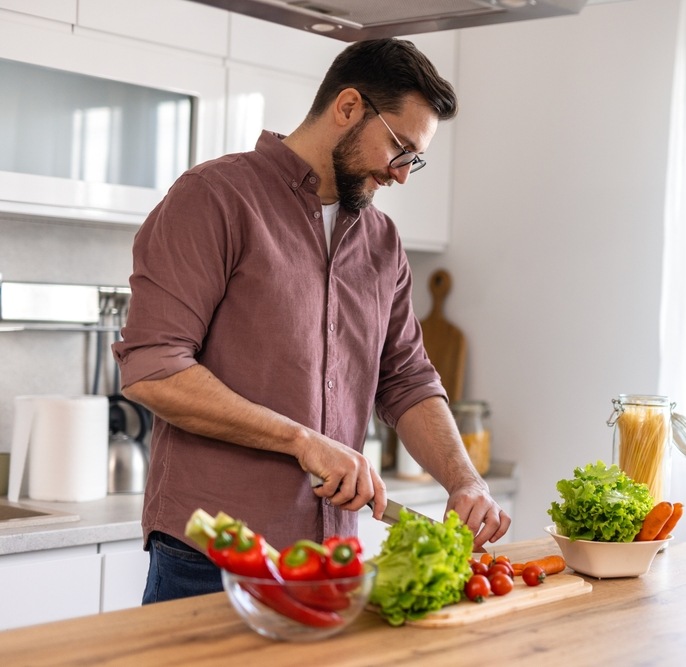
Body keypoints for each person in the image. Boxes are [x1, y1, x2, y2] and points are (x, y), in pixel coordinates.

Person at [112, 37, 511, 604]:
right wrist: (303, 440)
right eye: (399, 147)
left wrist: (463, 479)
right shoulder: (212, 199)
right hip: (213, 562)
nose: (401, 174)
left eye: (413, 159)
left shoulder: (383, 242)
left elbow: (407, 380)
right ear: (348, 107)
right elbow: (154, 369)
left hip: (330, 558)